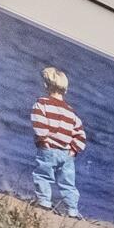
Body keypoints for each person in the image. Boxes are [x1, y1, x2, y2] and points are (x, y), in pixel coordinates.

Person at [29, 65, 86, 218]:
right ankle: (72, 210)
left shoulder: (42, 104)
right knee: (68, 182)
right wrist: (74, 149)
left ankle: (44, 201)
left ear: (46, 86)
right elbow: (80, 133)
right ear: (65, 90)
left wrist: (44, 140)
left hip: (49, 149)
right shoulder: (71, 112)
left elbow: (38, 122)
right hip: (67, 153)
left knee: (43, 175)